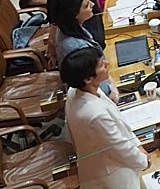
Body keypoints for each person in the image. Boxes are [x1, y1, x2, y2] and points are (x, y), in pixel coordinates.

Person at [61, 46, 149, 185]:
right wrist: (143, 161)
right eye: (101, 65)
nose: (107, 64)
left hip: (104, 161)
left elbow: (120, 125)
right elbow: (119, 147)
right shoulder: (94, 115)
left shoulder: (77, 90)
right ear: (88, 79)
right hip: (112, 174)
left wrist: (138, 145)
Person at [48, 0, 111, 91]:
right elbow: (93, 81)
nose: (92, 4)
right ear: (75, 14)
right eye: (86, 5)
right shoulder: (78, 47)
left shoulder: (65, 27)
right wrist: (111, 89)